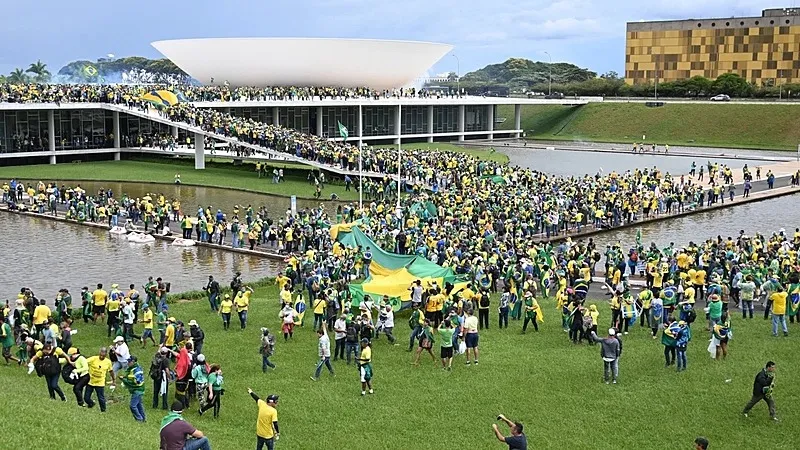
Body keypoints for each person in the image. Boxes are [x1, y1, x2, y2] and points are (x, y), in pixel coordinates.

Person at [85, 347, 115, 411]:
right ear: (99, 353)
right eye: (101, 355)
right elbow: (85, 362)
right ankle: (91, 404)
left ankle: (103, 410)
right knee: (86, 398)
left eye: (103, 356)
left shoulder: (108, 362)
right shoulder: (93, 359)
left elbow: (111, 371)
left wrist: (113, 380)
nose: (101, 356)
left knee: (101, 398)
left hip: (100, 382)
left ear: (106, 355)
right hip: (90, 381)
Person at [121, 355, 147, 422]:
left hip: (137, 390)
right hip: (138, 390)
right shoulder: (133, 369)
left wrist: (124, 380)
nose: (128, 363)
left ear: (133, 362)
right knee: (139, 405)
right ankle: (143, 418)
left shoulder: (137, 370)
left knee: (133, 406)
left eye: (129, 361)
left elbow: (136, 382)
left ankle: (139, 419)